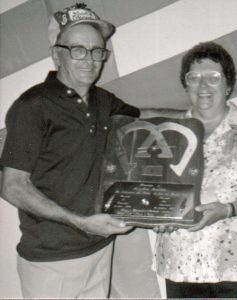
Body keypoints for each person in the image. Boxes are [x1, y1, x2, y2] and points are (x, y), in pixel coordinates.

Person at [0, 3, 140, 298]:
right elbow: (12, 186)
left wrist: (193, 121)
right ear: (56, 54)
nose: (89, 60)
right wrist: (80, 223)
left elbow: (144, 120)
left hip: (100, 251)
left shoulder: (104, 101)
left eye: (96, 51)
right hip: (51, 261)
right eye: (78, 49)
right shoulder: (32, 106)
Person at [151, 41, 237, 298]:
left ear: (229, 85)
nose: (203, 86)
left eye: (213, 77)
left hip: (236, 262)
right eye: (195, 78)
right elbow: (156, 191)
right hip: (181, 259)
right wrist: (156, 216)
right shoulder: (167, 133)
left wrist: (228, 210)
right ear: (186, 84)